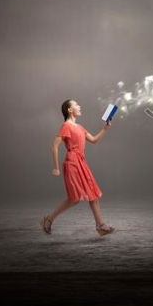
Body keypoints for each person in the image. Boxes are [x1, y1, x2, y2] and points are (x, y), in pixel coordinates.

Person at [42, 99, 115, 236]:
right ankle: (49, 219)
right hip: (72, 163)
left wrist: (105, 128)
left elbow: (94, 140)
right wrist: (56, 167)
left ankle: (100, 225)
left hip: (82, 163)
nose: (79, 106)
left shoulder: (80, 127)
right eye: (76, 105)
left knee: (93, 194)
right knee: (74, 198)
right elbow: (54, 147)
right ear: (69, 110)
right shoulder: (66, 126)